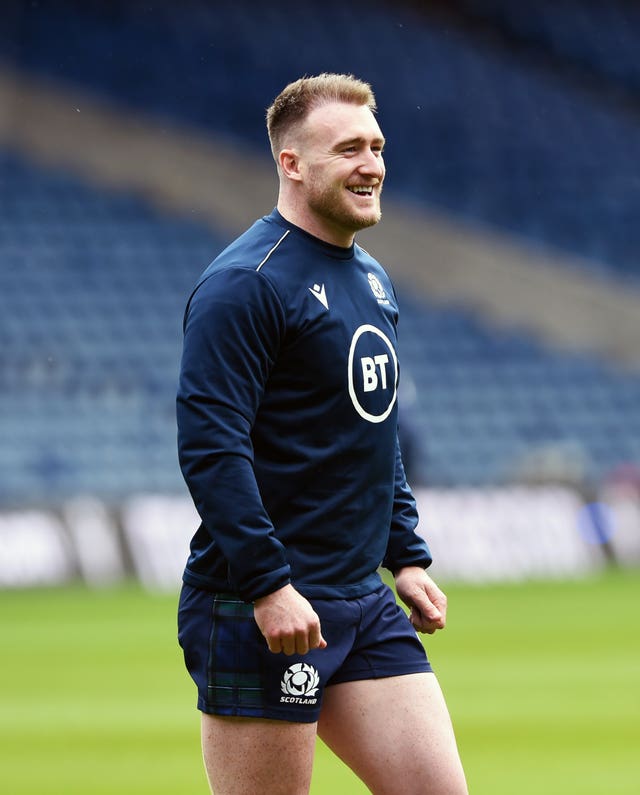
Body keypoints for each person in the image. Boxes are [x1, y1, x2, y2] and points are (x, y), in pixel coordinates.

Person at [176, 73, 468, 795]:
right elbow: (213, 447)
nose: (371, 164)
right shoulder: (245, 284)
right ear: (292, 164)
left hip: (362, 602)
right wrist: (270, 583)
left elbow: (373, 428)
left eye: (376, 146)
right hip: (260, 609)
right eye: (348, 149)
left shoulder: (370, 276)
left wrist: (405, 554)